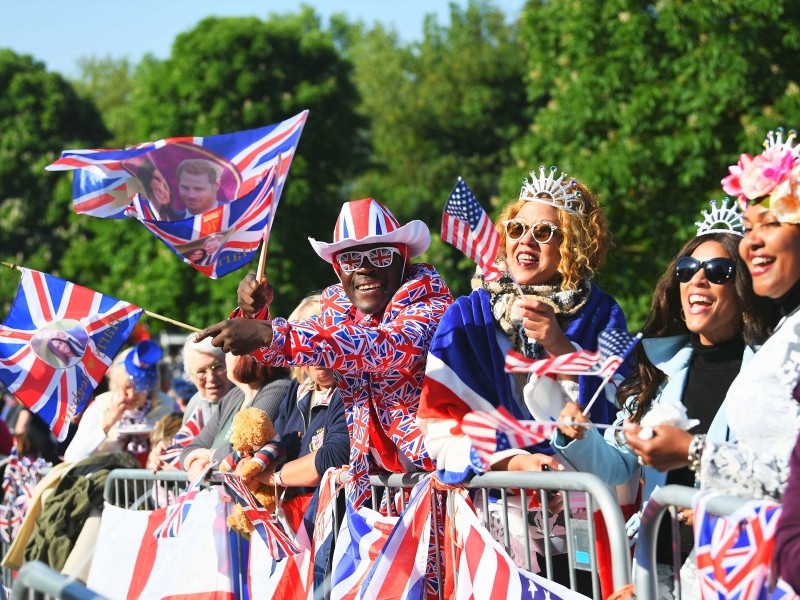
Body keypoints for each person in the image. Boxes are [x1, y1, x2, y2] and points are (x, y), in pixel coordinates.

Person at [553, 201, 776, 587]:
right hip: (656, 568)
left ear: (743, 288)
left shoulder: (770, 371)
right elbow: (618, 465)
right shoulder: (658, 369)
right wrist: (576, 436)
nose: (697, 281)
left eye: (718, 272)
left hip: (733, 568)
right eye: (687, 270)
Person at [195, 198, 453, 508]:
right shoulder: (341, 314)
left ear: (404, 259)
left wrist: (269, 333)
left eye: (381, 255)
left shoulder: (431, 306)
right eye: (350, 260)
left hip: (442, 488)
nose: (364, 268)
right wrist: (255, 315)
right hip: (380, 496)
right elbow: (284, 353)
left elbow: (380, 346)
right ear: (337, 269)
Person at [417, 165, 626, 482]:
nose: (526, 240)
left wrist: (558, 345)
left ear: (570, 246)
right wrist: (513, 463)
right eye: (516, 229)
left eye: (543, 233)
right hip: (493, 505)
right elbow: (440, 426)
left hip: (578, 499)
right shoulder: (468, 315)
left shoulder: (601, 313)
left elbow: (617, 418)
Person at [625, 129, 800, 503]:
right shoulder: (658, 364)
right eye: (686, 269)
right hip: (688, 553)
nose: (753, 241)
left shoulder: (770, 350)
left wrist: (696, 457)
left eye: (770, 223)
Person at [251, 293, 350, 531]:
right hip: (296, 520)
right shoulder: (297, 390)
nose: (317, 352)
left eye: (326, 342)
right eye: (308, 343)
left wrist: (273, 476)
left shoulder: (350, 390)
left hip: (338, 522)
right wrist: (253, 460)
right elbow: (277, 442)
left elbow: (333, 458)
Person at [181, 352, 290, 481]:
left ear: (246, 355)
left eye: (229, 351)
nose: (225, 356)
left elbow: (244, 448)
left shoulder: (278, 388)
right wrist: (196, 462)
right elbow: (189, 451)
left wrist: (208, 455)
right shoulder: (234, 396)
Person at [64, 341, 174, 464]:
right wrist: (107, 423)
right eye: (127, 387)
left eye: (140, 388)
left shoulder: (166, 405)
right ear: (116, 384)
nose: (132, 395)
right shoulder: (101, 406)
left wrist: (162, 434)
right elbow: (72, 457)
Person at [181, 335, 232, 425]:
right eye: (201, 371)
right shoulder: (194, 406)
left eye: (217, 367)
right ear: (191, 376)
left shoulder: (245, 400)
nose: (211, 378)